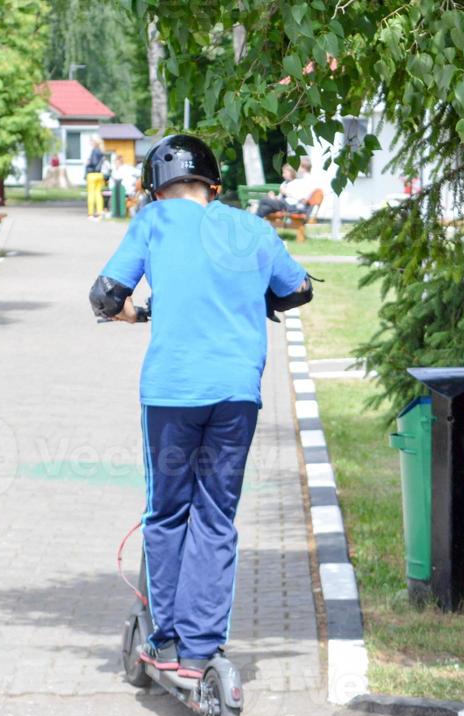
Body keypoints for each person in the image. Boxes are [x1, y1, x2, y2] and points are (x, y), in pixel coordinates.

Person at [88, 135, 313, 678]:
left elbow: (104, 296)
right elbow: (299, 289)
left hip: (172, 396)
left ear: (156, 190)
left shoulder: (152, 222)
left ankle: (164, 640)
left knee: (167, 513)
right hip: (237, 397)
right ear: (213, 184)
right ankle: (203, 647)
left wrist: (136, 315)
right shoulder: (253, 229)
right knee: (215, 516)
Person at [85, 136, 106, 220]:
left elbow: (93, 162)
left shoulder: (94, 150)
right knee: (98, 194)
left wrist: (88, 163)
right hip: (99, 175)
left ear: (94, 142)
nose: (90, 142)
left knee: (91, 194)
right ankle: (99, 212)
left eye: (91, 141)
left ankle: (90, 213)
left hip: (92, 174)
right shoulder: (101, 151)